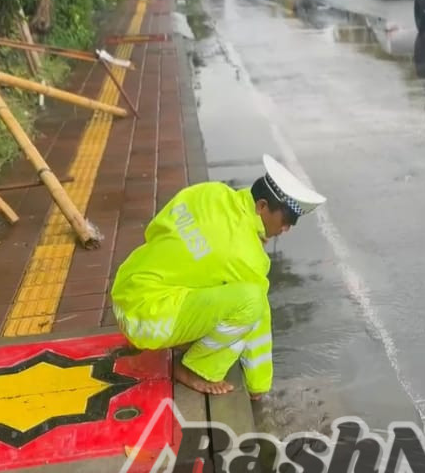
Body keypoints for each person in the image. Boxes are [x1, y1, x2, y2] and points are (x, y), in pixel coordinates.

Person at [110, 155, 326, 398]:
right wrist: (258, 387)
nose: (286, 229)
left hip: (125, 292)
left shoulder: (210, 192)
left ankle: (180, 337)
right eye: (287, 220)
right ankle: (194, 369)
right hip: (145, 323)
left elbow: (156, 229)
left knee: (215, 284)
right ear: (262, 206)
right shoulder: (248, 256)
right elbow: (259, 315)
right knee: (251, 302)